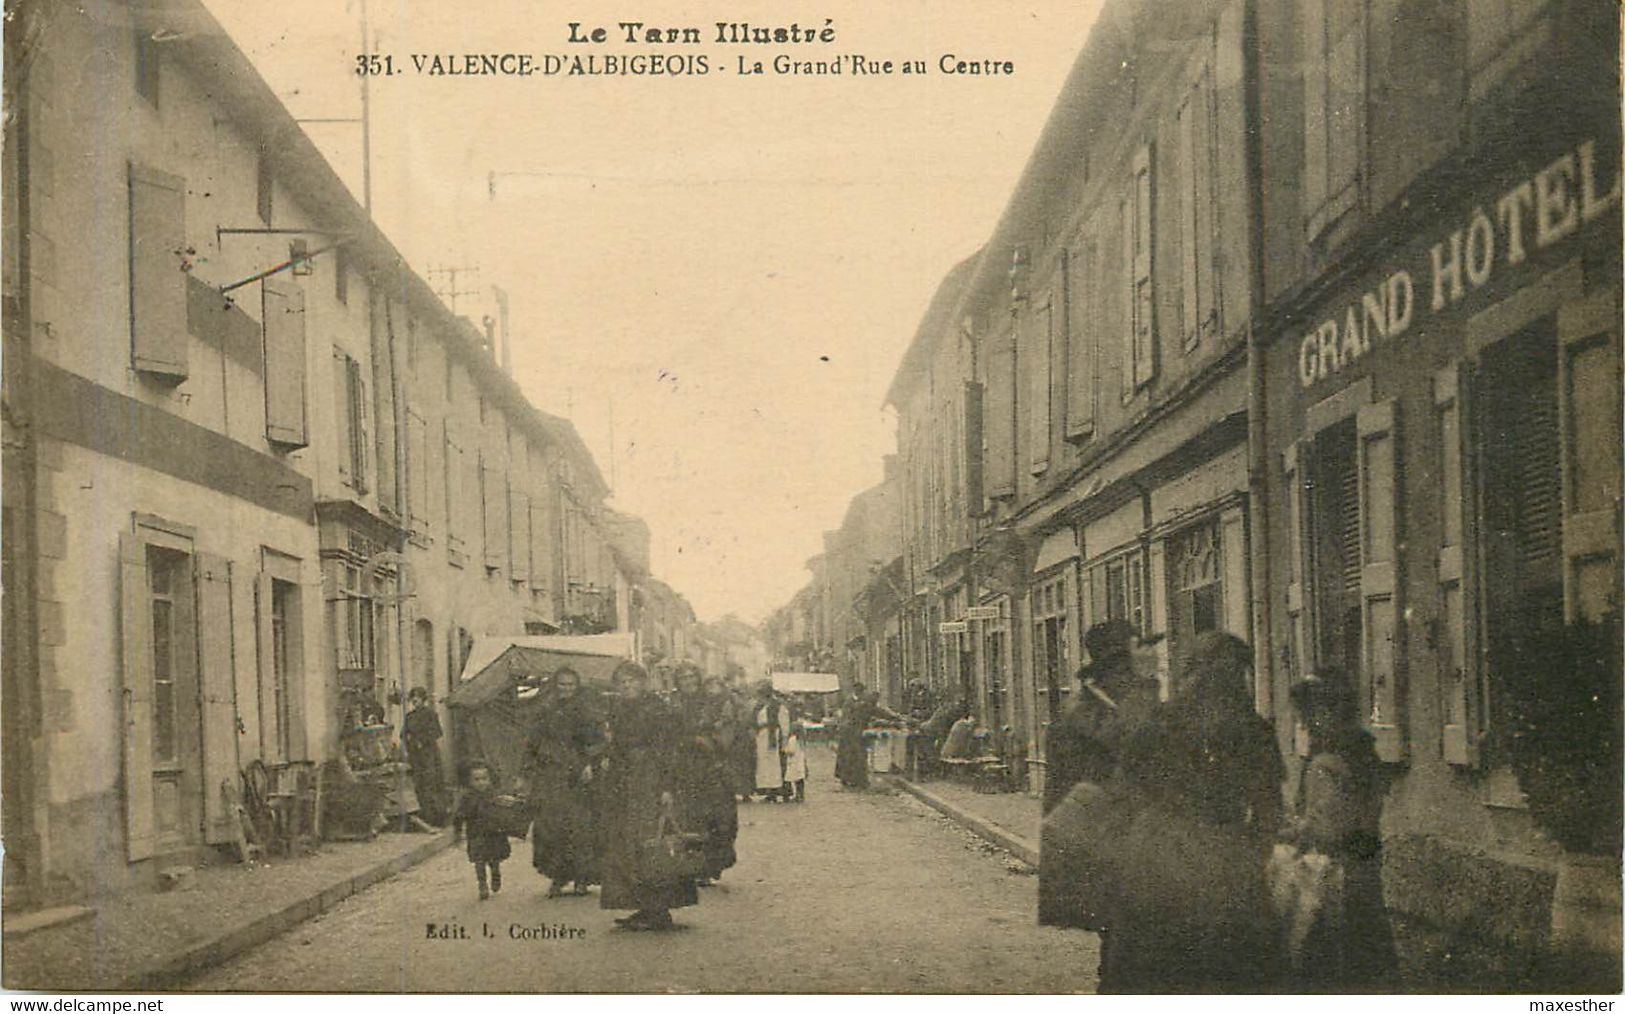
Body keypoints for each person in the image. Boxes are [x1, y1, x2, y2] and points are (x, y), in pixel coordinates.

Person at [1102, 631, 1285, 992]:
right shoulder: (1254, 730)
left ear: (1189, 673)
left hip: (1159, 862)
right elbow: (1269, 814)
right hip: (1226, 864)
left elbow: (1122, 797)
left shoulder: (1157, 723)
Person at [1279, 672, 1396, 991]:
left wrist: (1295, 830)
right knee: (1368, 952)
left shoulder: (1325, 764)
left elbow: (1329, 827)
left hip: (1332, 875)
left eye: (1307, 716)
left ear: (1325, 713)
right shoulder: (1362, 754)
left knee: (1332, 959)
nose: (1305, 725)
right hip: (1365, 865)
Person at [598, 661, 698, 931]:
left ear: (643, 682)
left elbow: (669, 750)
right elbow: (616, 746)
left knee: (652, 840)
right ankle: (643, 906)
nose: (627, 686)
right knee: (629, 843)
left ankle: (659, 908)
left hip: (651, 780)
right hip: (625, 783)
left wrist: (666, 786)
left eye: (632, 680)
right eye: (622, 682)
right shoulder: (618, 710)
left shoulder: (658, 710)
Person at [1040, 619, 1152, 815]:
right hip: (1098, 832)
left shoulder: (1109, 707)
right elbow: (1135, 747)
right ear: (1118, 669)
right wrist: (1145, 685)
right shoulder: (1082, 715)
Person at [522, 666, 604, 897]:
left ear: (577, 686)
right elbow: (532, 743)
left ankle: (581, 878)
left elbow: (598, 743)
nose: (566, 689)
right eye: (562, 684)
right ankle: (557, 877)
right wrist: (526, 771)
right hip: (551, 775)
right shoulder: (545, 710)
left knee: (580, 827)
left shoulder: (587, 711)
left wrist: (590, 764)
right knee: (551, 827)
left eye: (570, 685)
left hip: (578, 776)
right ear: (554, 686)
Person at [672, 664, 739, 882]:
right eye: (683, 678)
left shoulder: (712, 701)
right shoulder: (674, 704)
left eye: (692, 676)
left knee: (717, 819)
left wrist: (709, 742)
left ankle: (711, 866)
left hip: (712, 767)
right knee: (688, 819)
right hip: (684, 767)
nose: (688, 681)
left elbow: (726, 733)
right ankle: (692, 866)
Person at [451, 761, 511, 901]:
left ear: (490, 779)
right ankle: (482, 884)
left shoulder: (494, 795)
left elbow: (504, 812)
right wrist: (458, 832)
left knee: (494, 859)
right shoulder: (467, 798)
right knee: (479, 861)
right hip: (476, 834)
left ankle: (495, 873)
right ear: (469, 781)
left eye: (484, 779)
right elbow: (459, 815)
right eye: (476, 780)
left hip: (494, 833)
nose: (481, 783)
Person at [835, 686, 904, 790]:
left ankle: (848, 779)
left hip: (848, 732)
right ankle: (860, 782)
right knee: (859, 756)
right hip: (853, 733)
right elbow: (879, 712)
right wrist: (896, 718)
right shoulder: (866, 704)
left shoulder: (860, 703)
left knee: (848, 756)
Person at [400, 686, 448, 825]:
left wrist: (423, 740)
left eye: (418, 697)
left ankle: (437, 817)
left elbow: (437, 732)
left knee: (432, 783)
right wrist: (409, 740)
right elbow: (403, 733)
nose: (415, 700)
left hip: (429, 754)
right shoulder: (409, 716)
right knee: (419, 785)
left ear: (423, 699)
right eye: (413, 697)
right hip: (415, 755)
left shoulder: (430, 715)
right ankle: (424, 815)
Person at [753, 681, 791, 801]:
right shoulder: (759, 706)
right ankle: (769, 791)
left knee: (777, 765)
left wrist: (784, 739)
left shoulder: (779, 706)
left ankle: (781, 791)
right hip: (762, 738)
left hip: (774, 737)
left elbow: (784, 724)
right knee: (765, 766)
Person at [782, 715, 808, 802]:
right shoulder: (801, 741)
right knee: (800, 780)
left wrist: (785, 750)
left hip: (793, 762)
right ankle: (801, 795)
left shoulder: (792, 739)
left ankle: (794, 795)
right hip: (800, 762)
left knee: (792, 779)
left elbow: (791, 751)